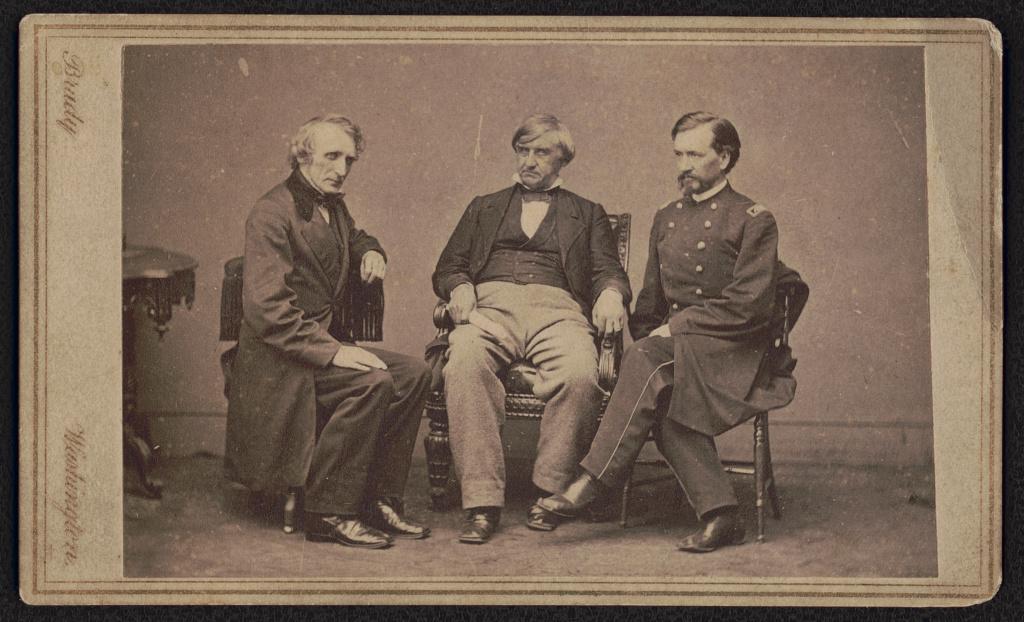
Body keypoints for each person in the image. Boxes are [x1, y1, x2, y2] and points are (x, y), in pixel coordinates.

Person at [538, 111, 808, 553]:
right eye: (678, 154)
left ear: (724, 158)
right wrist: (655, 334)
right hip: (678, 350)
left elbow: (750, 306)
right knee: (655, 383)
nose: (682, 164)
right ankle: (722, 516)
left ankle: (593, 480)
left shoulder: (754, 218)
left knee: (647, 362)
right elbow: (650, 304)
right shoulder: (666, 217)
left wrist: (672, 331)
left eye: (694, 154)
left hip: (736, 350)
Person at [225, 114, 431, 550]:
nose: (341, 169)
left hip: (314, 345)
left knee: (414, 373)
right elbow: (266, 311)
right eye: (332, 156)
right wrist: (334, 352)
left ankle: (378, 498)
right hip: (279, 361)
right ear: (303, 156)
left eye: (349, 160)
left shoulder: (330, 203)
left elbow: (351, 236)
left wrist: (371, 249)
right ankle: (328, 512)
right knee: (371, 380)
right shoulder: (270, 212)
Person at [432, 113, 632, 543]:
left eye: (541, 152)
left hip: (557, 308)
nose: (529, 161)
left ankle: (551, 490)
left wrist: (612, 294)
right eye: (523, 150)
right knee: (463, 363)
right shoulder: (483, 206)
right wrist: (460, 286)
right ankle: (482, 503)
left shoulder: (587, 212)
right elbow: (449, 265)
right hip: (490, 304)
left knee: (581, 372)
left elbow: (607, 270)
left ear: (563, 158)